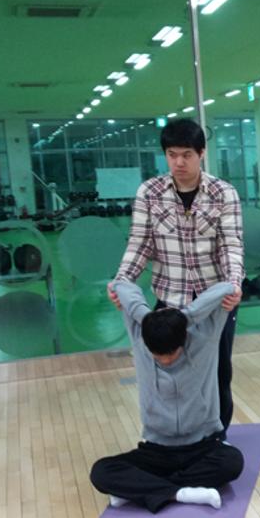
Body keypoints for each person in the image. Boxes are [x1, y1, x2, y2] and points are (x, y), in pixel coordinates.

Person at [108, 118, 244, 431]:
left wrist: (234, 284)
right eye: (172, 155)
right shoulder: (150, 192)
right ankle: (175, 437)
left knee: (218, 372)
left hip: (215, 304)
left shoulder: (224, 193)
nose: (179, 162)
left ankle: (217, 438)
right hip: (169, 301)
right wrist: (122, 281)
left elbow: (231, 245)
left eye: (186, 155)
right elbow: (140, 243)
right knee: (169, 375)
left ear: (202, 153)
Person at [91, 280, 244, 513]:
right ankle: (181, 492)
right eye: (158, 356)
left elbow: (226, 288)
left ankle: (142, 490)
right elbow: (123, 286)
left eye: (171, 354)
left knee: (232, 462)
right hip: (156, 450)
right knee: (101, 472)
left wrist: (186, 317)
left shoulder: (206, 338)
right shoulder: (141, 335)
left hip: (201, 446)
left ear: (183, 340)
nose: (165, 361)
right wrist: (120, 292)